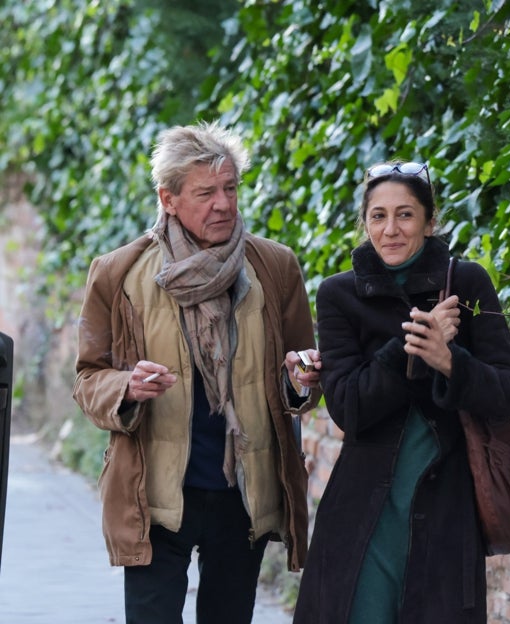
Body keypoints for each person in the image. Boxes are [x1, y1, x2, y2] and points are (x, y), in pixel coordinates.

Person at [73, 120, 322, 624]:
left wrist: (301, 381)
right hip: (155, 495)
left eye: (230, 188)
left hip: (243, 495)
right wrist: (127, 386)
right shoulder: (119, 273)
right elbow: (87, 378)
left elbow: (300, 375)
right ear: (168, 199)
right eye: (206, 193)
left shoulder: (275, 268)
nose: (224, 204)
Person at [293, 161, 510, 623]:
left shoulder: (467, 284)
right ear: (365, 223)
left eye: (405, 215)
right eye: (378, 216)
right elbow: (349, 407)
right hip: (365, 512)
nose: (390, 230)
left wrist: (450, 363)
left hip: (447, 511)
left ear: (429, 220)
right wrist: (411, 349)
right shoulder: (340, 295)